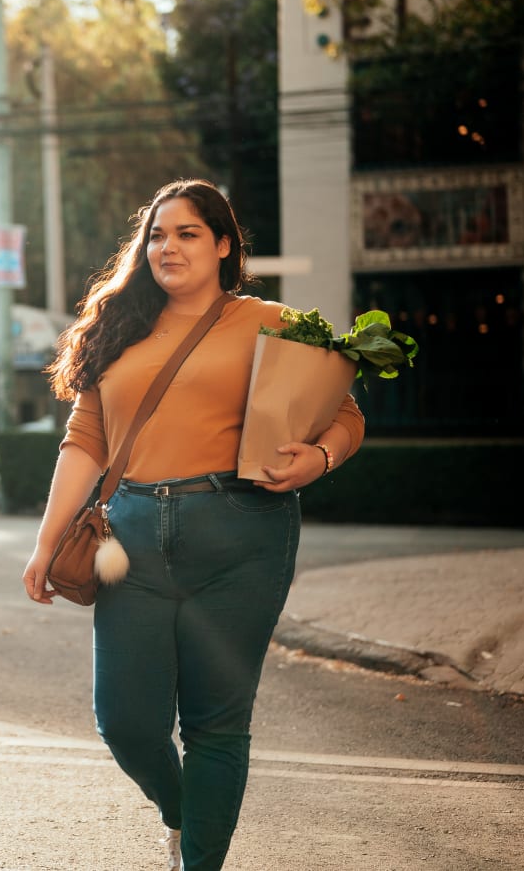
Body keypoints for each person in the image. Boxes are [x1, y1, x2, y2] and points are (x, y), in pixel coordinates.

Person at [22, 179, 364, 870]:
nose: (167, 247)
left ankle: (200, 861)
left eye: (186, 234)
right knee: (126, 722)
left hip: (244, 532)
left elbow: (345, 413)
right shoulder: (118, 327)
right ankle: (182, 813)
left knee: (216, 723)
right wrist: (45, 543)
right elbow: (84, 439)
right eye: (156, 234)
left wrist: (319, 457)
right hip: (133, 537)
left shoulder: (271, 320)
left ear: (224, 245)